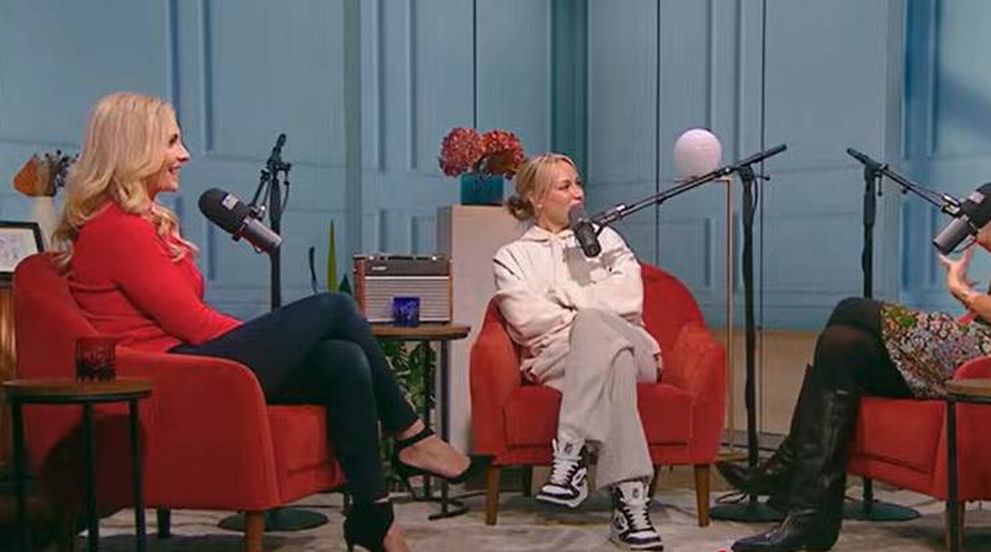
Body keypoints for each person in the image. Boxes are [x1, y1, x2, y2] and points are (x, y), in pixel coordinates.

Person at [55, 92, 487, 552]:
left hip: (187, 361)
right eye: (171, 142)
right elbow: (196, 328)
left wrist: (273, 339)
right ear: (134, 148)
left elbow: (190, 322)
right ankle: (410, 432)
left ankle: (374, 519)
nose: (184, 155)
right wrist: (272, 338)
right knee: (334, 308)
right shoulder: (116, 229)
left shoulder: (138, 225)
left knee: (341, 360)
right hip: (167, 377)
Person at [716, 84, 991, 552]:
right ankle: (807, 516)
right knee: (842, 345)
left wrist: (962, 291)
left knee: (853, 311)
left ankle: (791, 479)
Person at [492, 153, 665, 551]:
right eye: (564, 186)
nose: (578, 193)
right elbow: (526, 319)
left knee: (600, 331)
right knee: (611, 356)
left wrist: (571, 303)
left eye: (577, 183)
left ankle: (569, 455)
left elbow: (628, 301)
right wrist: (589, 315)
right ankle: (631, 507)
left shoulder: (606, 239)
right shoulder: (512, 256)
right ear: (536, 198)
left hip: (635, 346)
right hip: (559, 359)